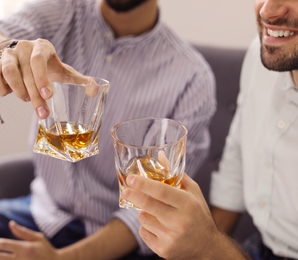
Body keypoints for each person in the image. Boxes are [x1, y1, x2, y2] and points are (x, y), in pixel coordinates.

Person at [0, 0, 216, 259]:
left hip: (113, 240)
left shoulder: (191, 76)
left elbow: (148, 211)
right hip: (41, 211)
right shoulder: (64, 12)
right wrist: (5, 53)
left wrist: (60, 259)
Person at [124, 0, 298, 259]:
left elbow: (210, 246)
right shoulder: (261, 53)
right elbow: (236, 163)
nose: (267, 11)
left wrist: (208, 245)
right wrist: (194, 242)